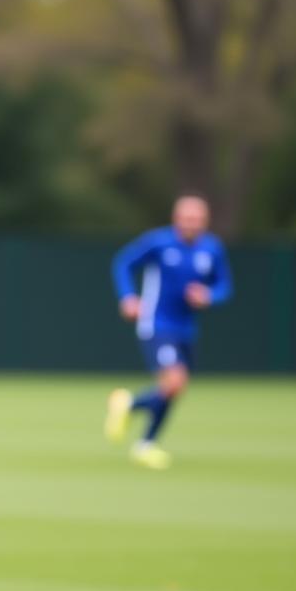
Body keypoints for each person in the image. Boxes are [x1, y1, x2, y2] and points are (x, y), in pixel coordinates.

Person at [105, 194, 232, 469]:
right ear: (176, 218)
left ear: (205, 221)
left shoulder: (211, 249)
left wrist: (208, 295)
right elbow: (123, 263)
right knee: (174, 381)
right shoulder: (159, 243)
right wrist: (128, 297)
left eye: (197, 219)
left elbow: (224, 286)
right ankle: (143, 439)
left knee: (174, 388)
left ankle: (135, 420)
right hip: (156, 323)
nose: (192, 223)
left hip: (186, 328)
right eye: (187, 218)